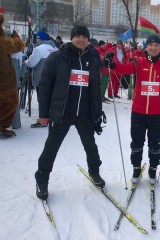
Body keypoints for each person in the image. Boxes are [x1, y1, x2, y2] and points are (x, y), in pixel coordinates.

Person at [34, 25, 106, 200]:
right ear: (72, 38)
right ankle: (42, 180)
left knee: (91, 147)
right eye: (77, 36)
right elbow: (44, 86)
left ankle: (94, 172)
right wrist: (44, 114)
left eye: (84, 36)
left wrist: (97, 111)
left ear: (88, 39)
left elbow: (96, 87)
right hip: (62, 113)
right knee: (51, 148)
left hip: (85, 113)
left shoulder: (93, 57)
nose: (81, 39)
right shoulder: (58, 57)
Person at [104, 34, 160, 184]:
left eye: (156, 45)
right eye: (151, 45)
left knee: (155, 143)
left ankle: (153, 169)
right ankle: (136, 168)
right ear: (146, 47)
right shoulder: (139, 61)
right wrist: (114, 64)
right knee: (137, 142)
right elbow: (126, 68)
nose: (153, 48)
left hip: (156, 112)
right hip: (138, 111)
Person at [25, 30, 58, 128]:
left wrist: (26, 61)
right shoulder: (55, 48)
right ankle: (52, 118)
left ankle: (43, 120)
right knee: (52, 99)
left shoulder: (39, 49)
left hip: (42, 79)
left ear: (39, 38)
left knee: (43, 100)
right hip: (55, 79)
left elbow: (32, 63)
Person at [0, 13, 25, 137]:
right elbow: (18, 45)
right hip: (4, 82)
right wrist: (16, 36)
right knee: (8, 102)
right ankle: (1, 127)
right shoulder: (3, 42)